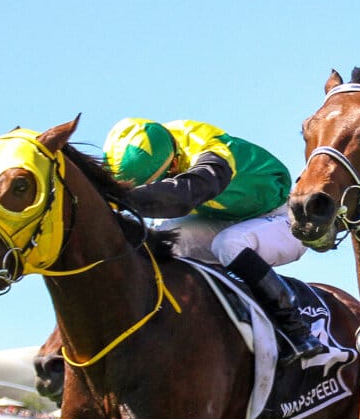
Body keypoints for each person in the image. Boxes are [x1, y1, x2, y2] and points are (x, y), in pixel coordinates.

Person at [103, 118, 326, 362]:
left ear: (175, 162)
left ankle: (295, 328)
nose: (156, 187)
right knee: (165, 238)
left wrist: (124, 200)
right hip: (224, 217)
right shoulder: (161, 148)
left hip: (281, 217)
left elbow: (184, 195)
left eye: (160, 179)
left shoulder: (212, 149)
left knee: (228, 244)